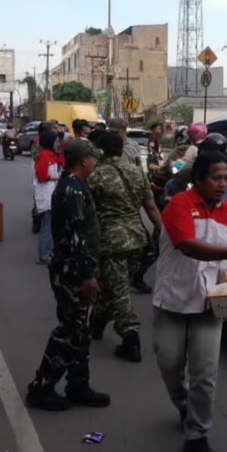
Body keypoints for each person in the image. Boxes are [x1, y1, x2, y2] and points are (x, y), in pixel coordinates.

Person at [153, 151, 227, 452]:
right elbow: (187, 246)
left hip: (210, 307)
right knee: (170, 364)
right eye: (216, 178)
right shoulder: (179, 206)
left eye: (226, 178)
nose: (223, 184)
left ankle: (197, 436)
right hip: (173, 301)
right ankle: (184, 405)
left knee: (205, 374)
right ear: (198, 179)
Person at [26, 139, 110, 411]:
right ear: (84, 160)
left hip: (76, 268)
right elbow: (76, 236)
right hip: (73, 271)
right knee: (71, 330)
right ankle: (42, 387)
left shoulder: (75, 185)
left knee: (82, 328)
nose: (95, 162)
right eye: (93, 158)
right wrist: (87, 274)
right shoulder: (72, 189)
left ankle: (78, 385)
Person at [87, 132, 162, 362]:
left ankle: (131, 338)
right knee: (117, 286)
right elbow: (150, 207)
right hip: (137, 239)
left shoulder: (95, 175)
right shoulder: (136, 172)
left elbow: (86, 213)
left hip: (111, 242)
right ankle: (97, 324)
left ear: (100, 150)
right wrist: (164, 233)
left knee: (118, 290)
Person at [33, 131, 61, 264]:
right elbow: (42, 176)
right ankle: (44, 254)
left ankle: (49, 251)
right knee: (47, 226)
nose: (57, 144)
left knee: (51, 225)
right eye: (55, 141)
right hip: (46, 195)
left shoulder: (52, 155)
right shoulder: (44, 156)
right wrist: (58, 178)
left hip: (51, 194)